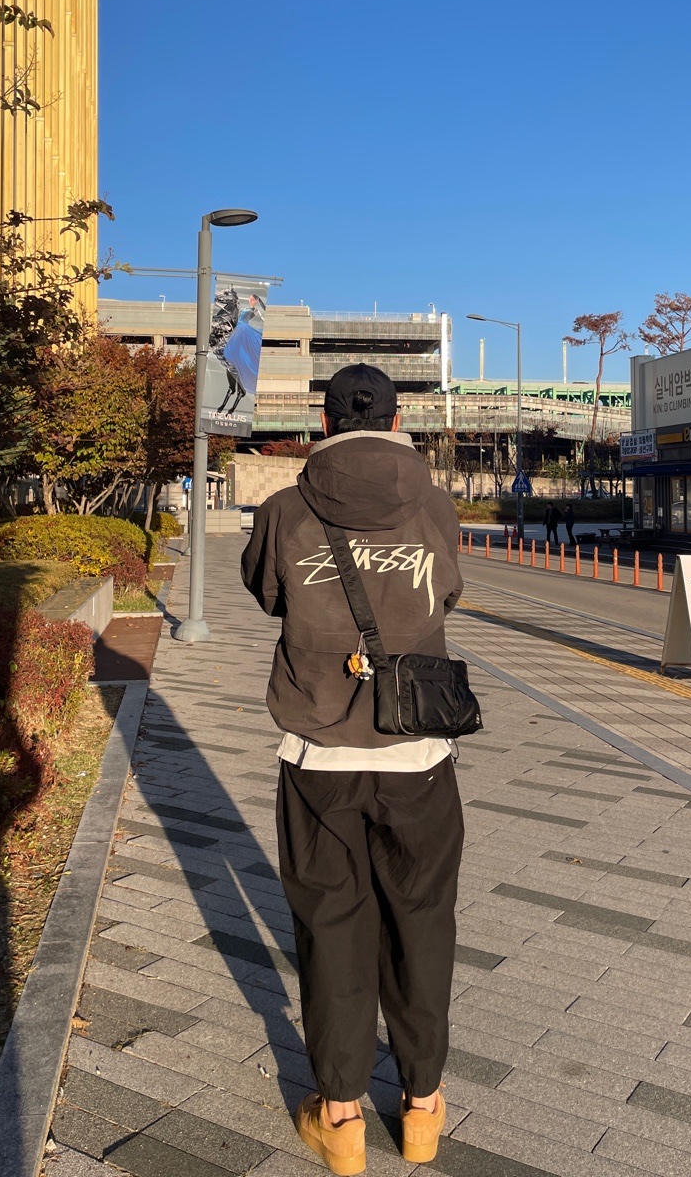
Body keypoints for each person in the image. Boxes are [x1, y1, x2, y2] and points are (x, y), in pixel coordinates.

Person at [241, 363, 464, 1175]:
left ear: (324, 418)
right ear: (397, 415)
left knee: (332, 926)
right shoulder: (433, 502)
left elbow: (267, 592)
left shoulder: (284, 509)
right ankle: (423, 1111)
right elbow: (450, 590)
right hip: (418, 751)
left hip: (318, 751)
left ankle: (339, 1119)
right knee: (422, 922)